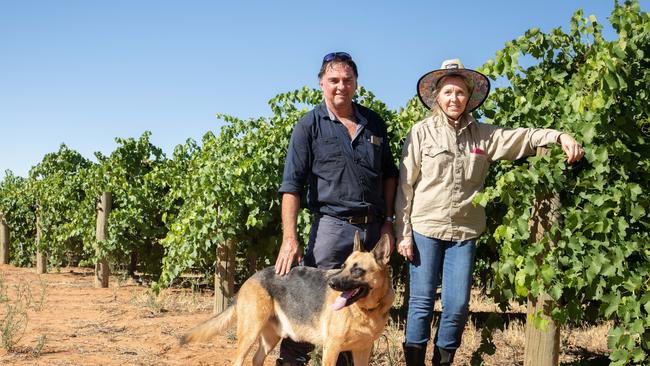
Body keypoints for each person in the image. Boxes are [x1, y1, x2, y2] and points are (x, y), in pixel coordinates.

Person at [395, 59, 584, 366]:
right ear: (437, 97)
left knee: (457, 306)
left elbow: (523, 137)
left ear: (469, 98)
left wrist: (559, 136)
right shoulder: (421, 133)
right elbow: (406, 186)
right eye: (448, 92)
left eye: (460, 92)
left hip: (465, 232)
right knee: (421, 303)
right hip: (424, 229)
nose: (454, 98)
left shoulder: (485, 135)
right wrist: (402, 233)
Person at [274, 52, 399, 366]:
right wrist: (289, 238)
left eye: (347, 80)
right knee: (309, 306)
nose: (341, 86)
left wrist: (387, 222)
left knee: (355, 316)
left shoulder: (374, 123)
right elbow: (291, 185)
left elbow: (389, 176)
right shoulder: (309, 126)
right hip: (331, 229)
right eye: (334, 80)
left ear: (356, 83)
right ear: (321, 84)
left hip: (371, 233)